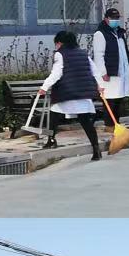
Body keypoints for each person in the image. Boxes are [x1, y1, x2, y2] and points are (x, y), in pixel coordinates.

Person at [39, 31, 102, 161]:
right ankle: (96, 149)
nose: (56, 46)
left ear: (60, 43)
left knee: (54, 115)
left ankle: (51, 140)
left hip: (67, 93)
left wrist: (44, 87)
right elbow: (95, 71)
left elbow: (56, 74)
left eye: (56, 43)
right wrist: (100, 85)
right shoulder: (83, 53)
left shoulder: (60, 54)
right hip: (83, 93)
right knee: (86, 121)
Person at [93, 7, 129, 129]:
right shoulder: (100, 34)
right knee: (110, 100)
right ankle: (109, 125)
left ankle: (116, 123)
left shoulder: (119, 33)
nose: (115, 20)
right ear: (106, 19)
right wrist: (103, 72)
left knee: (118, 100)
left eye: (117, 18)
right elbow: (99, 55)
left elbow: (124, 53)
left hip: (121, 72)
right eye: (112, 18)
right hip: (109, 74)